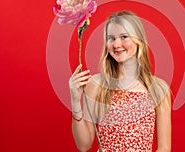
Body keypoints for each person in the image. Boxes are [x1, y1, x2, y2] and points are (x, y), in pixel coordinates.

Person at [69, 11, 172, 152]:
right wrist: (75, 100)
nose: (117, 44)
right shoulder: (97, 84)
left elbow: (164, 148)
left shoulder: (158, 89)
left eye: (124, 37)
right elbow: (84, 145)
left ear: (139, 40)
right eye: (111, 38)